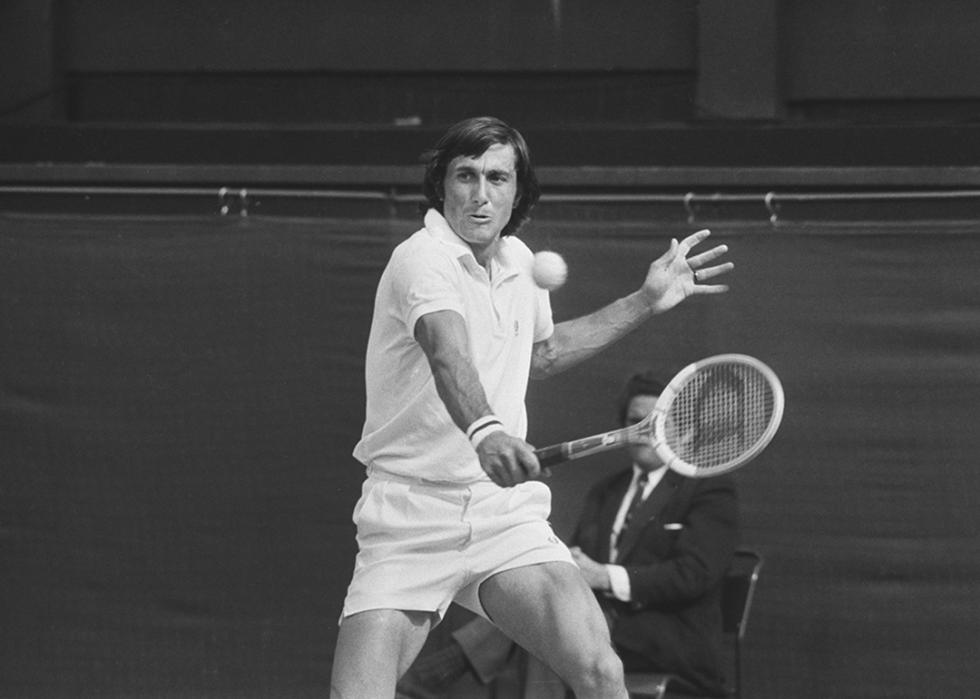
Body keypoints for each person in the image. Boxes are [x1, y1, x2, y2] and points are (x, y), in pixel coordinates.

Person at [330, 116, 733, 699]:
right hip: (409, 513)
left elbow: (540, 354)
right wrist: (488, 432)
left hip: (503, 515)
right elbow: (448, 353)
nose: (480, 193)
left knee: (600, 671)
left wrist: (646, 301)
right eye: (465, 176)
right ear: (441, 185)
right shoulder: (420, 259)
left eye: (497, 177)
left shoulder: (520, 261)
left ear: (518, 191)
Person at [396, 371, 740, 698]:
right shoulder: (607, 490)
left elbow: (695, 574)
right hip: (599, 625)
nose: (646, 431)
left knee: (552, 625)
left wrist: (605, 576)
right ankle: (437, 672)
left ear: (684, 429)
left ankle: (441, 669)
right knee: (548, 620)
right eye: (636, 422)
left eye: (659, 422)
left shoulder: (707, 489)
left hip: (665, 637)